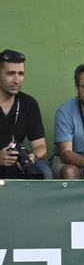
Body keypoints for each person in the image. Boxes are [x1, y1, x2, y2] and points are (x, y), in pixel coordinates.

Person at [0, 49, 49, 179]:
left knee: (44, 172)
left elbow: (41, 147)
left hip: (17, 164)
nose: (17, 80)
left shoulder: (28, 103)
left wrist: (32, 156)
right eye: (11, 74)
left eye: (21, 74)